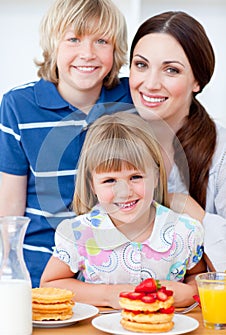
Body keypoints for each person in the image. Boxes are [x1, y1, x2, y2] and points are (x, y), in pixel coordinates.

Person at [0, 0, 132, 287]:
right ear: (53, 45)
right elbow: (9, 208)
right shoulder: (18, 106)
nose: (87, 54)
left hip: (118, 274)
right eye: (73, 39)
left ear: (116, 49)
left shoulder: (131, 98)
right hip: (40, 273)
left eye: (101, 40)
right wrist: (10, 276)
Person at [40, 112, 205, 308]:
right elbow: (50, 284)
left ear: (156, 177)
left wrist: (190, 292)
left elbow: (200, 278)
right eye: (110, 180)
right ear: (92, 185)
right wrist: (109, 295)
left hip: (166, 333)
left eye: (135, 177)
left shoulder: (184, 231)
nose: (125, 191)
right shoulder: (79, 234)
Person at [129, 11, 226, 272]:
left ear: (197, 80)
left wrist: (194, 213)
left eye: (171, 70)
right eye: (141, 65)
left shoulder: (221, 151)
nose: (150, 83)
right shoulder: (115, 144)